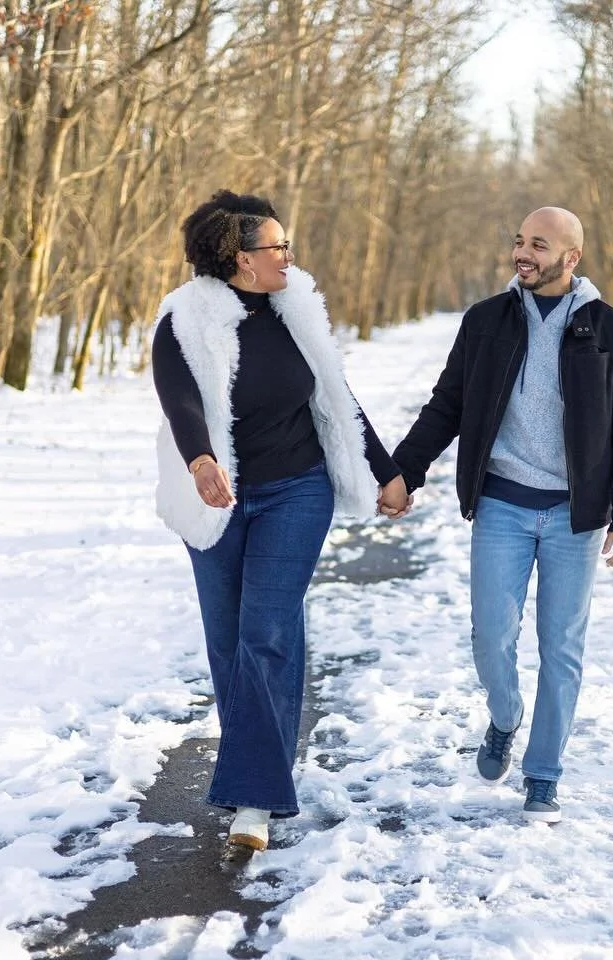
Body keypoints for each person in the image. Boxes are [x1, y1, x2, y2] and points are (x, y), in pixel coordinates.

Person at [151, 190, 410, 853]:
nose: (289, 257)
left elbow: (335, 394)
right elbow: (179, 398)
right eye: (278, 247)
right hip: (219, 497)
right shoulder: (185, 321)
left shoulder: (298, 312)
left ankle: (254, 802)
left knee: (264, 631)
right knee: (230, 640)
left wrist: (385, 469)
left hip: (298, 490)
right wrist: (202, 460)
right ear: (242, 259)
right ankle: (262, 773)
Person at [392, 206, 613, 823]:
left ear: (571, 258)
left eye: (539, 244)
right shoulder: (486, 322)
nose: (522, 254)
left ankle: (542, 775)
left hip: (575, 516)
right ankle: (505, 716)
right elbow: (446, 405)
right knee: (491, 637)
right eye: (518, 242)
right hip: (503, 504)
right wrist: (405, 470)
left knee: (561, 647)